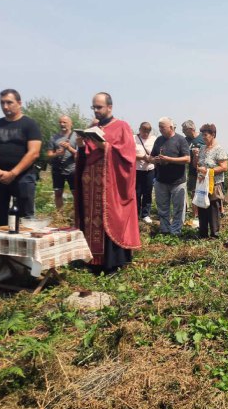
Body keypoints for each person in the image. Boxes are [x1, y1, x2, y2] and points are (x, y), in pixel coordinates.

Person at [74, 92, 140, 273]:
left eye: (99, 107)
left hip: (110, 185)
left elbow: (128, 155)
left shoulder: (121, 127)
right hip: (90, 183)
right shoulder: (91, 128)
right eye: (93, 107)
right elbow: (86, 155)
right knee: (90, 220)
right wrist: (80, 145)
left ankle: (111, 261)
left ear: (109, 107)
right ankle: (92, 260)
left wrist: (106, 146)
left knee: (108, 218)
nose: (96, 111)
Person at [0, 89, 42, 226]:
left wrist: (13, 173)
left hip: (23, 177)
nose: (5, 106)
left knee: (26, 218)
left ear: (19, 103)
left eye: (9, 102)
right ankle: (2, 246)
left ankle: (26, 246)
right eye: (2, 103)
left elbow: (34, 152)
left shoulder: (30, 125)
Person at [151, 118, 190, 236]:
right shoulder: (158, 140)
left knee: (179, 208)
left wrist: (169, 159)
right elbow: (151, 157)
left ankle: (176, 231)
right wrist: (155, 160)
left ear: (171, 127)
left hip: (177, 181)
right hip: (161, 180)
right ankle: (165, 230)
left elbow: (187, 159)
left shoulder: (181, 140)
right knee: (162, 207)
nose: (160, 129)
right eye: (159, 127)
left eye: (162, 127)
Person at [196, 123, 228, 238]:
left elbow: (224, 167)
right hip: (202, 183)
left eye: (205, 135)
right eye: (202, 135)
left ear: (213, 134)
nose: (203, 137)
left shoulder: (219, 149)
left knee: (213, 209)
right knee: (202, 207)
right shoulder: (203, 148)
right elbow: (199, 164)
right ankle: (203, 233)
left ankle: (214, 235)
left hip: (214, 184)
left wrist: (208, 171)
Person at [47, 115, 77, 211]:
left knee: (75, 193)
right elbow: (49, 154)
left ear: (71, 123)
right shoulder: (54, 137)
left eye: (64, 122)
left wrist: (69, 148)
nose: (62, 124)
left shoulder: (77, 137)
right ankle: (60, 217)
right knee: (58, 193)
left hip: (72, 169)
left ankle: (77, 216)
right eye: (60, 122)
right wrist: (57, 154)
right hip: (57, 169)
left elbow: (80, 154)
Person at [181, 120, 205, 225]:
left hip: (204, 171)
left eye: (184, 130)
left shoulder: (202, 138)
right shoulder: (185, 140)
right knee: (194, 192)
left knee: (205, 192)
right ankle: (196, 214)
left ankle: (205, 213)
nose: (183, 132)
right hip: (192, 171)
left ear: (191, 129)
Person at [134, 122, 155, 224]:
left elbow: (156, 153)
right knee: (136, 193)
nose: (146, 133)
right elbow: (129, 154)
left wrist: (151, 159)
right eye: (144, 130)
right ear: (139, 129)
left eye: (148, 131)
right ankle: (136, 213)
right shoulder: (134, 139)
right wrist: (142, 157)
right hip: (136, 170)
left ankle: (145, 214)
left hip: (149, 170)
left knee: (147, 192)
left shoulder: (153, 139)